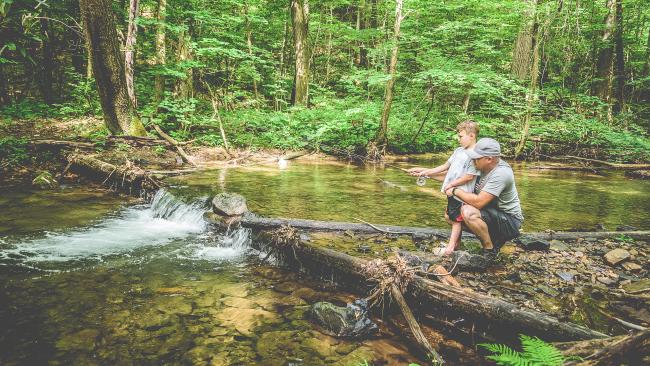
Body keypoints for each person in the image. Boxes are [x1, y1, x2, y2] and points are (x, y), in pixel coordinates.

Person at [407, 121, 480, 256]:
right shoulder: (458, 151)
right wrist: (424, 172)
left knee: (456, 220)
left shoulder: (475, 155)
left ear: (472, 135)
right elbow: (444, 167)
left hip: (462, 193)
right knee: (452, 217)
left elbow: (469, 177)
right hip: (451, 193)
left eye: (461, 136)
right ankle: (456, 245)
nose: (458, 139)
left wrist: (451, 185)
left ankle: (450, 249)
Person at [444, 138, 523, 260]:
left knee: (467, 212)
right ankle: (485, 239)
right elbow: (453, 178)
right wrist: (426, 173)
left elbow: (479, 202)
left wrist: (455, 191)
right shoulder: (479, 167)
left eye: (476, 158)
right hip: (491, 213)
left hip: (509, 220)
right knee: (450, 216)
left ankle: (489, 249)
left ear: (489, 159)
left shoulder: (502, 173)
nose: (472, 160)